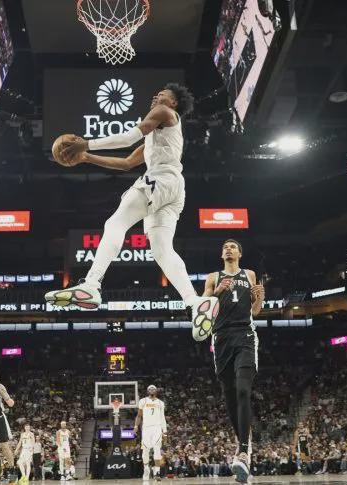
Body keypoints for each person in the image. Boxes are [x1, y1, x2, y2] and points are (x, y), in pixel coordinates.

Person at [44, 84, 219, 333]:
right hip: (174, 189)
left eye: (163, 94)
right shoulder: (160, 132)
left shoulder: (164, 112)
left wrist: (86, 144)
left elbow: (127, 138)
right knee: (162, 251)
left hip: (160, 179)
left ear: (174, 103)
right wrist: (87, 157)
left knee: (115, 223)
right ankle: (195, 302)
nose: (156, 96)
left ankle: (91, 284)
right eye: (156, 93)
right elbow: (126, 163)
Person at [201, 239, 264, 485]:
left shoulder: (249, 274)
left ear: (239, 253)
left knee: (242, 390)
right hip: (221, 337)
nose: (228, 249)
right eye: (225, 247)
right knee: (228, 393)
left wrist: (259, 299)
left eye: (233, 247)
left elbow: (255, 311)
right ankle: (243, 445)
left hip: (245, 335)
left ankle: (244, 450)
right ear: (221, 254)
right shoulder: (212, 277)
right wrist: (217, 291)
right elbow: (203, 308)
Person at [134, 385, 167, 480]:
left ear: (156, 391)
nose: (152, 390)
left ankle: (157, 473)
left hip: (157, 428)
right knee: (145, 450)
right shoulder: (143, 401)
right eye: (150, 389)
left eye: (153, 389)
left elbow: (162, 418)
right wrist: (136, 426)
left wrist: (165, 432)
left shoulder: (160, 403)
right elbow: (139, 416)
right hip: (146, 428)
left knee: (157, 449)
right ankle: (146, 468)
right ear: (147, 391)